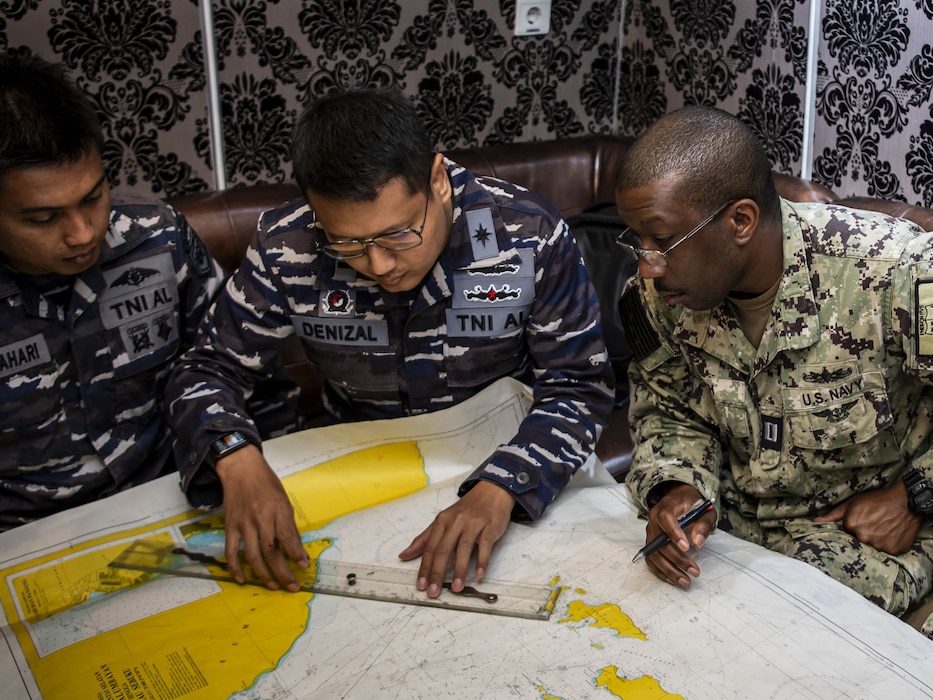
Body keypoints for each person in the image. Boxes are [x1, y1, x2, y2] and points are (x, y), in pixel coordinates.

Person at [165, 87, 615, 597]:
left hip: (509, 464)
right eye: (349, 244)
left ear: (438, 181)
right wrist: (236, 457)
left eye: (398, 235)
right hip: (363, 474)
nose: (379, 265)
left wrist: (502, 487)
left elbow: (578, 386)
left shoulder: (527, 233)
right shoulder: (285, 244)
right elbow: (207, 368)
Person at [616, 104, 933, 632]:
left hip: (868, 559)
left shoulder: (894, 273)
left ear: (740, 221)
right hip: (730, 546)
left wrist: (917, 496)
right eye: (636, 240)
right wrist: (676, 489)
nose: (648, 264)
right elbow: (667, 410)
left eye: (663, 240)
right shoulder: (656, 296)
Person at [0, 54, 225, 529]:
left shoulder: (157, 237)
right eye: (43, 218)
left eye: (93, 198)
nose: (82, 233)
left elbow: (234, 365)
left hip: (175, 499)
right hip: (25, 537)